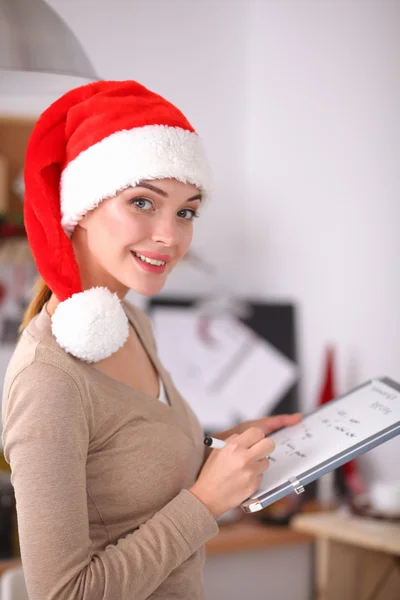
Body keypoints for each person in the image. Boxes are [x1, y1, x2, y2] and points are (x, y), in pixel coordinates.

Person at [1, 80, 301, 600]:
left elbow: (137, 462)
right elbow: (64, 595)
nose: (171, 236)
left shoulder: (131, 323)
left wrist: (225, 445)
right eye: (143, 202)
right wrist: (207, 502)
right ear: (80, 207)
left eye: (186, 211)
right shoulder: (49, 381)